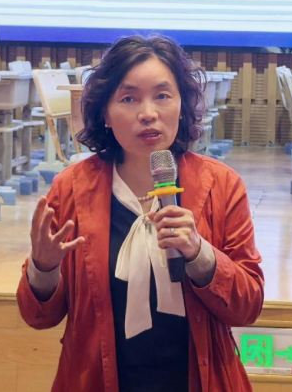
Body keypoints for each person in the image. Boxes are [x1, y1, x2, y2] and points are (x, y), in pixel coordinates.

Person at [17, 34, 264, 392]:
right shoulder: (70, 188)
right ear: (105, 113)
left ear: (182, 105)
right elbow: (38, 317)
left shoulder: (221, 185)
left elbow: (248, 307)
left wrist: (200, 254)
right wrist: (43, 267)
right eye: (129, 98)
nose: (148, 113)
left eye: (162, 96)